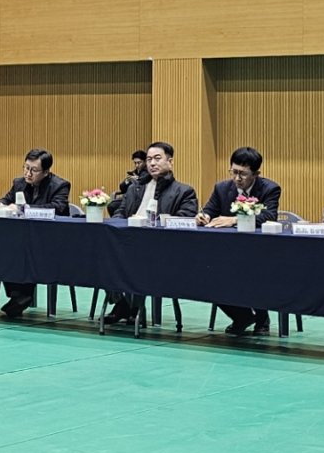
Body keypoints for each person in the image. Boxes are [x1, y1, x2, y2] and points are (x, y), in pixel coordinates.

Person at [108, 142, 198, 326]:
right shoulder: (134, 188)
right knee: (102, 256)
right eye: (149, 159)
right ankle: (122, 303)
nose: (152, 163)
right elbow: (120, 213)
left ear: (170, 162)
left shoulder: (184, 191)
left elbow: (185, 219)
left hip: (161, 249)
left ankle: (135, 308)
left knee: (138, 260)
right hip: (128, 242)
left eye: (157, 158)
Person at [196, 146, 282, 335]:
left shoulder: (270, 188)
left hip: (258, 251)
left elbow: (269, 216)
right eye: (233, 172)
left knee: (255, 273)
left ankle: (262, 319)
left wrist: (235, 219)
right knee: (205, 273)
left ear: (256, 174)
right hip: (226, 251)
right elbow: (209, 210)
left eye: (242, 174)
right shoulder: (221, 188)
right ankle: (242, 316)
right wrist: (203, 217)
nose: (237, 178)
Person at [0, 149, 72, 319]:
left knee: (25, 252)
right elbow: (6, 200)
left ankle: (22, 296)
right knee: (5, 249)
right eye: (26, 168)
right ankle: (18, 295)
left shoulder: (60, 185)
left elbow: (58, 207)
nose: (28, 173)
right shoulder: (19, 183)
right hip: (23, 239)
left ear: (46, 172)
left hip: (50, 241)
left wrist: (25, 208)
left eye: (34, 170)